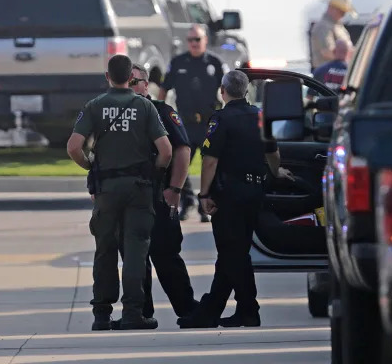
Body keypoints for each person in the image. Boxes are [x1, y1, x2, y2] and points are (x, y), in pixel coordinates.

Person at [67, 54, 172, 332]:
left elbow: (74, 147)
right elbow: (166, 151)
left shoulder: (94, 106)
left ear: (107, 77)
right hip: (138, 187)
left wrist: (92, 167)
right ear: (131, 77)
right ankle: (133, 313)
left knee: (105, 250)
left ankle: (101, 314)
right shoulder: (145, 107)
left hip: (106, 189)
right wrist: (154, 173)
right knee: (136, 249)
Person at [178, 70, 289, 329]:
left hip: (229, 195)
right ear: (247, 91)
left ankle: (244, 310)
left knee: (231, 253)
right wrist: (277, 172)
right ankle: (221, 310)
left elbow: (210, 161)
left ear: (222, 91)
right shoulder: (261, 117)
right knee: (235, 253)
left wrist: (204, 194)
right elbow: (273, 152)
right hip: (255, 192)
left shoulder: (221, 119)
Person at [123, 64, 197, 323]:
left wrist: (175, 189)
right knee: (134, 258)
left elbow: (182, 150)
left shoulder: (162, 111)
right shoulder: (114, 113)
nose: (131, 86)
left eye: (136, 81)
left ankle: (187, 309)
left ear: (146, 85)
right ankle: (141, 313)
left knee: (166, 254)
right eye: (127, 81)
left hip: (158, 193)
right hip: (128, 197)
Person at [158, 24, 224, 221]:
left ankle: (206, 204)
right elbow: (164, 89)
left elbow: (226, 90)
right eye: (190, 40)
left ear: (205, 40)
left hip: (208, 124)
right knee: (179, 163)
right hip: (185, 123)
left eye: (197, 39)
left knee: (210, 164)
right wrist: (158, 112)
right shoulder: (178, 63)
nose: (193, 43)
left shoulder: (215, 63)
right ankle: (187, 202)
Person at [309, 0, 355, 69]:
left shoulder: (338, 26)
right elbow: (327, 52)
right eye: (341, 11)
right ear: (331, 8)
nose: (343, 15)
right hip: (327, 74)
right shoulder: (323, 26)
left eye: (344, 12)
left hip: (338, 71)